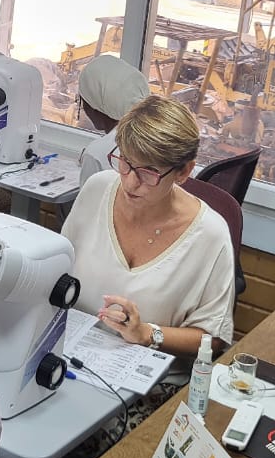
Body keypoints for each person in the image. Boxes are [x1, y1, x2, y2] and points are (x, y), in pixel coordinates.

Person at [64, 95, 235, 368]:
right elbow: (58, 270)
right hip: (74, 356)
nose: (130, 182)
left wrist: (146, 334)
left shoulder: (210, 236)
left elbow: (212, 338)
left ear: (183, 172)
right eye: (125, 162)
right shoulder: (97, 189)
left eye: (149, 172)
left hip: (149, 376)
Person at [75, 54, 151, 185]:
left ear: (95, 106)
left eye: (83, 101)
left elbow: (88, 198)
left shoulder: (97, 154)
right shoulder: (153, 135)